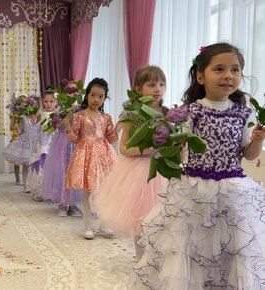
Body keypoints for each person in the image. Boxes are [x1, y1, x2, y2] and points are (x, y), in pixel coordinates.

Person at [129, 43, 265, 289]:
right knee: (190, 249)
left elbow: (247, 154)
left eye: (235, 70)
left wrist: (257, 140)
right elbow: (177, 148)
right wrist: (168, 138)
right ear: (201, 76)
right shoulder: (190, 111)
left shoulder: (243, 114)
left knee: (232, 250)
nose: (228, 75)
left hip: (232, 191)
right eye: (220, 69)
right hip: (195, 191)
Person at [94, 65, 168, 258]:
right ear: (138, 89)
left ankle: (156, 258)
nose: (158, 89)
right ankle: (141, 258)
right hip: (139, 171)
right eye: (152, 85)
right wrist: (151, 149)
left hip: (163, 170)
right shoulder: (132, 114)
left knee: (162, 218)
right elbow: (124, 148)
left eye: (161, 84)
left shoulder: (167, 113)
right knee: (140, 218)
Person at [63, 78, 117, 239]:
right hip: (86, 154)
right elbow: (74, 137)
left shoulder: (106, 117)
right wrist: (67, 126)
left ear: (104, 98)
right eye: (93, 95)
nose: (96, 99)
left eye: (100, 96)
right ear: (87, 96)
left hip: (104, 155)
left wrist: (119, 127)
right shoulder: (80, 116)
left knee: (106, 190)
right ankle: (88, 226)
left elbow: (111, 138)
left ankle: (104, 224)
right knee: (87, 191)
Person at [41, 81, 82, 217]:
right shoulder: (60, 109)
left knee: (75, 172)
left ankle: (74, 204)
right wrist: (60, 121)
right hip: (62, 142)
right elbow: (56, 126)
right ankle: (63, 203)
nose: (71, 93)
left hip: (76, 143)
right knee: (62, 171)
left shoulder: (80, 109)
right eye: (68, 91)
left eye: (74, 91)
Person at [3, 95, 41, 193]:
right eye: (33, 104)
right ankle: (25, 185)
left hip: (37, 143)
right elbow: (20, 132)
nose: (34, 106)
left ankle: (36, 185)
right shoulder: (24, 117)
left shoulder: (41, 117)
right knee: (26, 165)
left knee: (36, 166)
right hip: (26, 143)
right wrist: (17, 128)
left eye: (37, 104)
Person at [26, 91, 58, 202]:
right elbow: (35, 128)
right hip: (42, 144)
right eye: (46, 101)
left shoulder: (58, 113)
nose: (48, 104)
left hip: (54, 144)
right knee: (41, 166)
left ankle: (52, 191)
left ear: (56, 102)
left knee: (53, 168)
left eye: (51, 101)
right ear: (42, 102)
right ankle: (38, 190)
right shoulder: (40, 113)